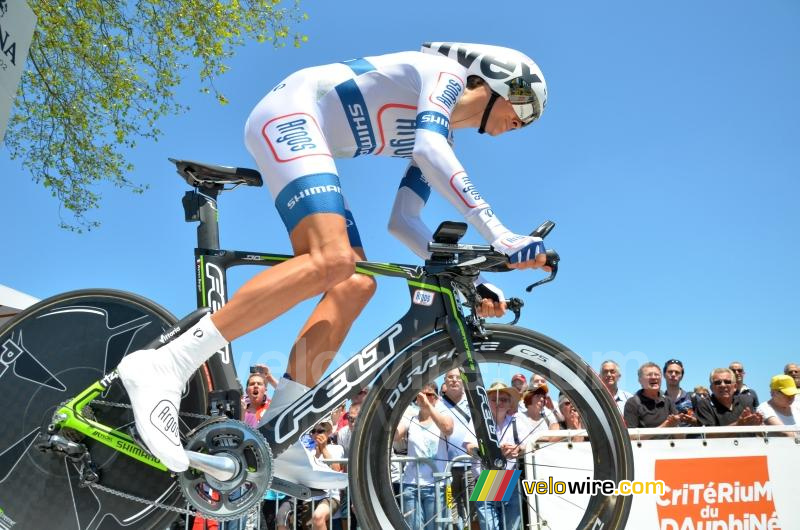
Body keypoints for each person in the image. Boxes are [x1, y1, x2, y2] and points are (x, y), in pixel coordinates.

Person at [115, 41, 550, 489]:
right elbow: (429, 146)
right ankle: (166, 364)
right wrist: (499, 233)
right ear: (498, 81)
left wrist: (469, 279)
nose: (524, 120)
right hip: (290, 112)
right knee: (332, 259)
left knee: (354, 284)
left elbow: (404, 222)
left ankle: (278, 432)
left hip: (308, 129)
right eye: (524, 105)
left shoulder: (441, 133)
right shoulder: (444, 77)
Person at [464, 382, 530, 530]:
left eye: (504, 400)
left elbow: (528, 446)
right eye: (494, 399)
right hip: (486, 480)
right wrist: (493, 451)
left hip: (510, 480)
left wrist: (517, 450)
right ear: (486, 403)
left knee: (513, 527)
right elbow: (469, 447)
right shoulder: (477, 422)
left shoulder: (516, 422)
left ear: (510, 404)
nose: (499, 403)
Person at [394, 382, 454, 530]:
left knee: (436, 527)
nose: (425, 398)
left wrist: (429, 406)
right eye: (422, 395)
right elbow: (394, 435)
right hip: (411, 484)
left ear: (437, 397)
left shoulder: (445, 415)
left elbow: (447, 429)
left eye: (430, 395)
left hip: (437, 484)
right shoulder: (411, 419)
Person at [276, 421, 344, 530]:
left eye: (320, 431)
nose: (316, 434)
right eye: (313, 431)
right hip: (310, 497)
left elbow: (336, 469)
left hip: (330, 496)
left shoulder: (336, 448)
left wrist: (323, 449)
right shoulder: (309, 452)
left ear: (329, 432)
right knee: (308, 525)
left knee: (318, 517)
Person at [440, 368, 473, 529]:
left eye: (457, 377)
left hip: (471, 467)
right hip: (447, 469)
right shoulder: (437, 404)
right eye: (450, 377)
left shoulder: (474, 402)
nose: (454, 380)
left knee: (475, 512)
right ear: (445, 381)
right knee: (451, 512)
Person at [695, 368, 762, 430]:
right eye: (718, 383)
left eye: (727, 382)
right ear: (711, 388)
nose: (723, 385)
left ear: (735, 387)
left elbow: (758, 431)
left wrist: (758, 425)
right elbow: (709, 435)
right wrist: (738, 425)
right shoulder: (704, 405)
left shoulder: (746, 401)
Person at [623, 362, 684, 429]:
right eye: (649, 375)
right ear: (640, 380)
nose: (654, 377)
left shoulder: (668, 401)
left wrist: (675, 424)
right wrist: (665, 426)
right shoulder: (632, 403)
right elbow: (631, 436)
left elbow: (679, 436)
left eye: (657, 374)